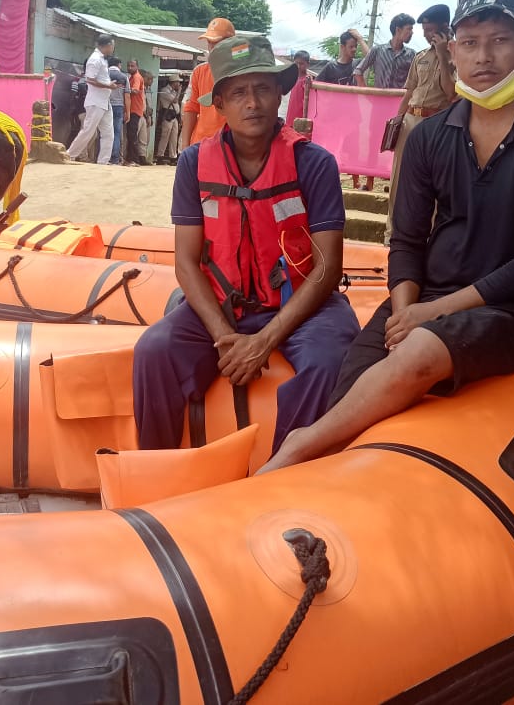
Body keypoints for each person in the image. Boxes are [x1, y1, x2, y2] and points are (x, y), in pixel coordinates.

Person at [259, 0, 514, 473]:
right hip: (423, 298)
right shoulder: (430, 136)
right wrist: (403, 312)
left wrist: (426, 319)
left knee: (417, 353)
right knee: (347, 391)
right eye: (470, 42)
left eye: (501, 40)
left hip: (508, 312)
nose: (484, 57)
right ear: (451, 48)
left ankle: (294, 450)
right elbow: (408, 237)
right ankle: (306, 486)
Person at [133, 34, 361, 453]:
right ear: (218, 104)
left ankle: (286, 475)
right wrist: (224, 337)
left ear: (279, 94)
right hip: (224, 307)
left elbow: (326, 268)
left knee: (330, 362)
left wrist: (264, 340)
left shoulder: (314, 163)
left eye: (262, 89)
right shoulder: (193, 164)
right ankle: (158, 468)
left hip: (303, 307)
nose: (251, 103)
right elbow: (186, 263)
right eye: (238, 93)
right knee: (153, 351)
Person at [383, 4, 457, 243]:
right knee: (398, 178)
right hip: (410, 122)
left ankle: (429, 237)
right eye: (424, 30)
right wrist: (397, 121)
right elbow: (409, 92)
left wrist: (444, 55)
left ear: (445, 28)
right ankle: (391, 233)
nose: (426, 35)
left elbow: (451, 93)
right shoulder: (420, 57)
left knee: (433, 181)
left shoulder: (458, 56)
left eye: (430, 30)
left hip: (437, 124)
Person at [318, 30, 372, 190]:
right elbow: (318, 87)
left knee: (353, 148)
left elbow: (371, 57)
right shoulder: (330, 67)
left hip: (354, 116)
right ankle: (332, 179)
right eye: (351, 46)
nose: (354, 49)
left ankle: (356, 182)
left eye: (355, 47)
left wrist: (361, 39)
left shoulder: (357, 65)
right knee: (334, 149)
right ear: (342, 47)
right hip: (335, 118)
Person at [65, 34, 120, 164]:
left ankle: (103, 162)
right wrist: (108, 85)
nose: (113, 48)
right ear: (107, 46)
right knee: (89, 130)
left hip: (104, 101)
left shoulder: (102, 59)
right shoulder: (94, 59)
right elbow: (90, 79)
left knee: (108, 133)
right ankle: (69, 155)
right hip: (96, 101)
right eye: (112, 45)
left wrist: (109, 85)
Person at [182, 17, 237, 146]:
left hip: (231, 145)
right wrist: (185, 148)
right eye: (209, 42)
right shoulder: (199, 72)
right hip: (201, 144)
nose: (212, 47)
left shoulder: (241, 72)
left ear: (231, 43)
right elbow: (191, 109)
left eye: (216, 42)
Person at [355, 13, 416, 89]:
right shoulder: (377, 50)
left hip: (400, 100)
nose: (412, 32)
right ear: (398, 30)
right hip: (379, 99)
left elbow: (416, 80)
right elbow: (358, 71)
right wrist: (365, 94)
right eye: (409, 29)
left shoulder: (412, 55)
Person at [106, 56, 131, 165]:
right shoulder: (123, 77)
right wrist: (128, 112)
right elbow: (127, 96)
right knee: (116, 133)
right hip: (118, 107)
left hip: (105, 105)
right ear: (119, 64)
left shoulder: (105, 74)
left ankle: (102, 157)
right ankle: (114, 159)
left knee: (104, 133)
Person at [124, 59, 148, 166]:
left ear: (137, 66)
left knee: (132, 135)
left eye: (132, 66)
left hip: (135, 110)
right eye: (128, 66)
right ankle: (130, 158)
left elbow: (135, 90)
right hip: (133, 109)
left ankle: (134, 160)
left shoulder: (137, 77)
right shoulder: (131, 78)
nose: (130, 68)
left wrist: (123, 89)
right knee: (130, 135)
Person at [155, 75, 182, 164]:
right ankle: (160, 156)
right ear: (173, 82)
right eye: (177, 82)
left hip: (175, 116)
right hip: (168, 115)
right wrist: (179, 92)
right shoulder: (165, 91)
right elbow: (175, 100)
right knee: (165, 136)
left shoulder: (174, 91)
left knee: (174, 137)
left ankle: (172, 157)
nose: (178, 84)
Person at [284, 51, 311, 128]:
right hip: (291, 114)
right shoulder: (293, 78)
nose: (298, 66)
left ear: (308, 64)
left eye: (301, 64)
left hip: (301, 117)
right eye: (296, 63)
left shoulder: (308, 80)